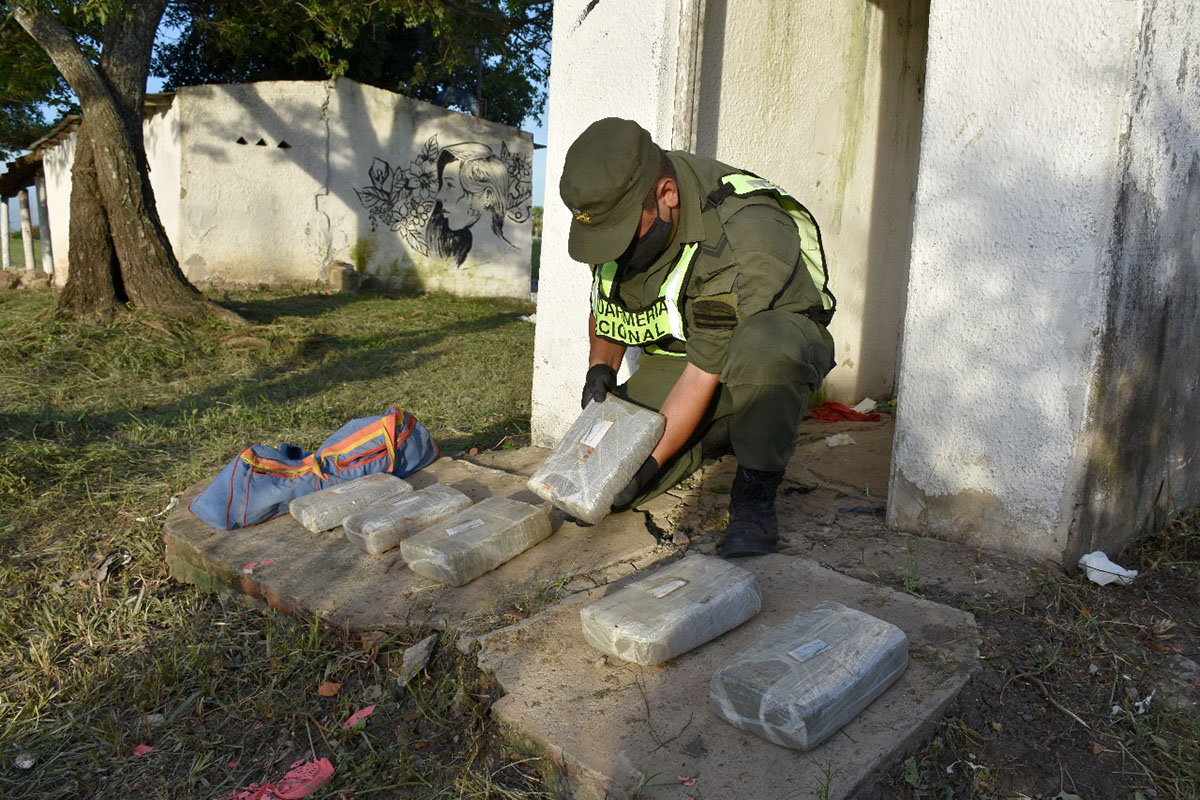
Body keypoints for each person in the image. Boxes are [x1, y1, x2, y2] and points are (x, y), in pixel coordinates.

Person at [560, 118, 836, 557]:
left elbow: (706, 368)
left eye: (619, 235)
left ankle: (755, 492)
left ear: (667, 194)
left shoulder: (744, 232)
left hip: (763, 340)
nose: (611, 249)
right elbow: (607, 297)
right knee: (596, 489)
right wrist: (600, 369)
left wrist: (649, 463)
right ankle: (720, 427)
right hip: (686, 352)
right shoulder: (621, 213)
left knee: (766, 350)